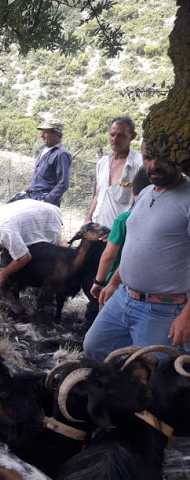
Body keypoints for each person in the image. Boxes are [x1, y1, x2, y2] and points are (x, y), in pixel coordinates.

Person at [83, 141, 190, 361]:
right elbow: (136, 245)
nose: (154, 165)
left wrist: (188, 316)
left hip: (163, 308)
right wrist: (113, 282)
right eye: (148, 157)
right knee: (95, 347)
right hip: (124, 296)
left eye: (162, 158)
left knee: (150, 372)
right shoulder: (145, 193)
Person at [0, 199, 62, 289]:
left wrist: (3, 275)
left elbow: (24, 257)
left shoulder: (3, 232)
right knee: (13, 254)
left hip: (48, 216)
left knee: (46, 257)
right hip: (26, 215)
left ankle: (46, 293)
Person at [89, 167, 150, 304]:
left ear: (133, 191)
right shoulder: (160, 220)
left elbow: (109, 255)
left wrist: (98, 281)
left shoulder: (123, 219)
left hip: (115, 283)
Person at [84, 116, 142, 228]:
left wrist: (119, 228)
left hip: (120, 235)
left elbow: (141, 201)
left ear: (132, 136)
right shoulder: (102, 163)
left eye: (121, 135)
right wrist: (88, 219)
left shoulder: (139, 165)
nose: (114, 139)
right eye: (112, 135)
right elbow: (99, 193)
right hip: (96, 229)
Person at [23, 118, 72, 207]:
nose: (41, 135)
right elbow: (39, 179)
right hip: (32, 196)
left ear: (56, 134)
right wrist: (25, 192)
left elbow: (63, 183)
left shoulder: (61, 154)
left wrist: (47, 200)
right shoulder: (43, 150)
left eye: (45, 132)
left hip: (44, 200)